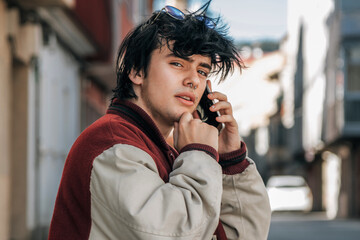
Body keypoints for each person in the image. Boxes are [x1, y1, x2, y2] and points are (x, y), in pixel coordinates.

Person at [48, 1, 271, 239]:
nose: (193, 80)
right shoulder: (114, 147)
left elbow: (242, 235)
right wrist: (200, 154)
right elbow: (174, 234)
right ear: (136, 71)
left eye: (202, 71)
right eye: (177, 63)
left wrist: (229, 161)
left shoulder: (165, 151)